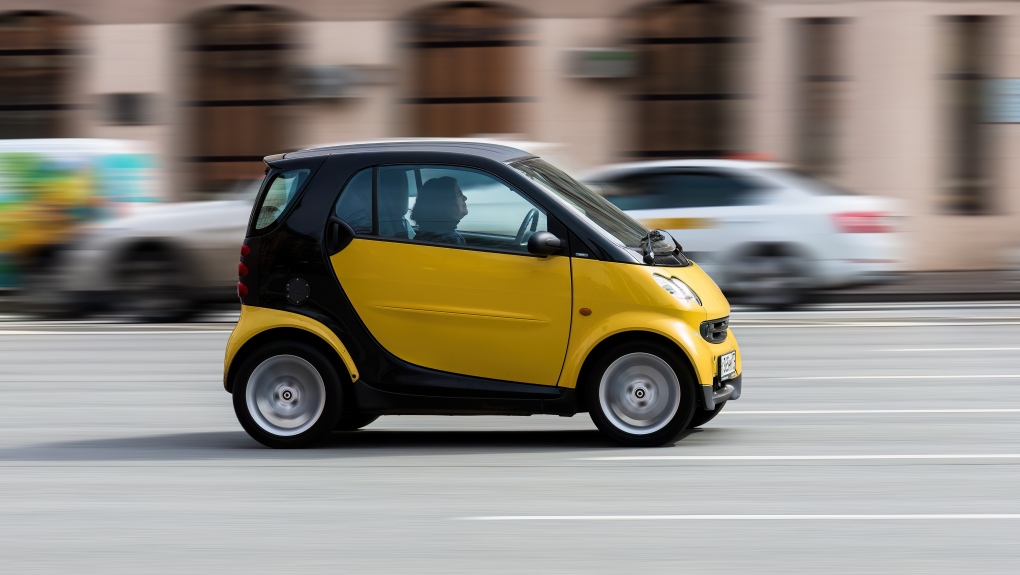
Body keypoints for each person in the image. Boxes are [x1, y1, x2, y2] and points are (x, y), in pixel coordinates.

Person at [411, 176, 468, 245]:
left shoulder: (441, 235)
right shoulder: (444, 241)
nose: (465, 198)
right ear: (446, 202)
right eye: (459, 194)